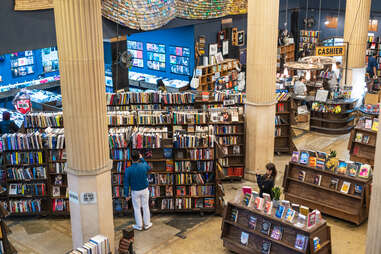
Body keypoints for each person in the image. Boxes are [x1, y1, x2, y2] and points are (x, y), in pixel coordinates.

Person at [124, 151, 152, 231]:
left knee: (137, 208)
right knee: (145, 206)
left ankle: (139, 225)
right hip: (144, 189)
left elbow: (126, 183)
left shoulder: (128, 170)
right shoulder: (144, 165)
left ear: (131, 158)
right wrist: (142, 158)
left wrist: (126, 194)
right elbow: (149, 168)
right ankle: (147, 224)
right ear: (139, 157)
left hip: (135, 191)